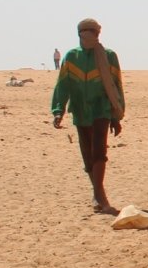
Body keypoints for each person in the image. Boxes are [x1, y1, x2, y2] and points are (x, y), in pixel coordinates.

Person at [51, 17, 125, 214]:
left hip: (102, 109)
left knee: (99, 150)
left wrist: (116, 116)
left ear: (98, 34)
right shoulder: (72, 57)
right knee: (87, 154)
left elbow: (116, 86)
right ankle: (97, 192)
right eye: (86, 33)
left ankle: (100, 194)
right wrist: (58, 110)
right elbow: (63, 85)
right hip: (81, 110)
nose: (89, 37)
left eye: (93, 33)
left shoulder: (108, 56)